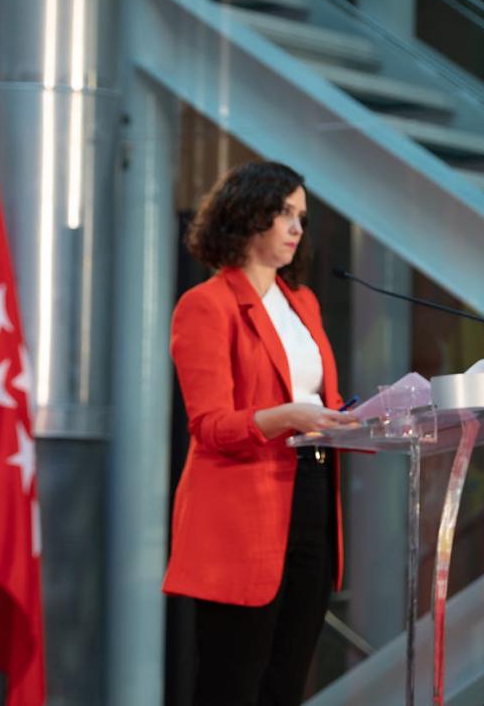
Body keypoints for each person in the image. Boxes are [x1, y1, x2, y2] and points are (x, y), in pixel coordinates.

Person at [163, 160, 352, 705]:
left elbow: (322, 400)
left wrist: (358, 419)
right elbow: (210, 426)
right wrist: (290, 416)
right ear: (248, 217)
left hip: (313, 498)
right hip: (243, 513)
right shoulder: (206, 305)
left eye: (302, 217)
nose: (297, 228)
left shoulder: (304, 304)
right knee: (232, 684)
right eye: (284, 213)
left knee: (286, 683)